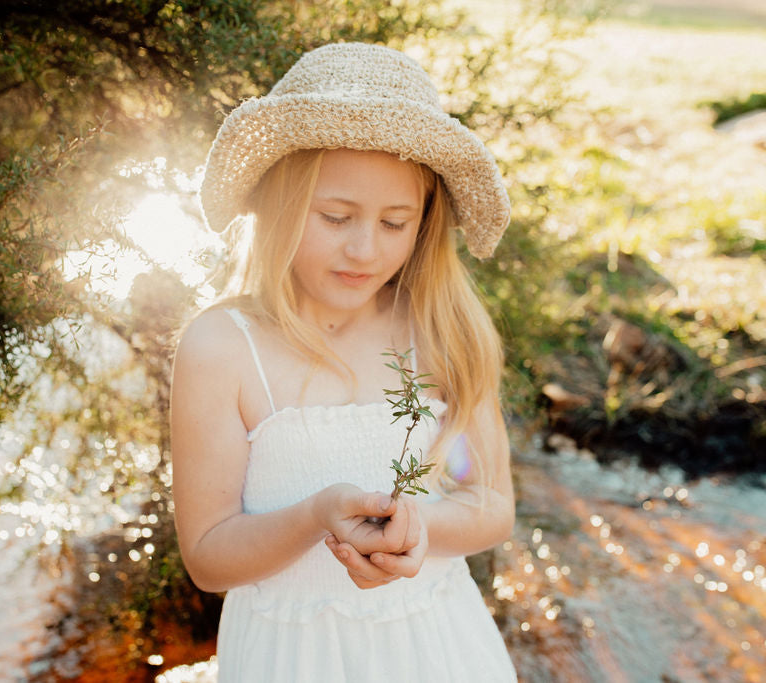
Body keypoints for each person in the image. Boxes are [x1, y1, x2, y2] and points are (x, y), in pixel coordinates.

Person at [170, 42, 518, 681]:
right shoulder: (223, 347)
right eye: (335, 216)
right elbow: (209, 557)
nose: (363, 249)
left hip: (437, 650)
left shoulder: (440, 332)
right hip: (289, 659)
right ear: (277, 204)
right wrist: (314, 516)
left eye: (394, 223)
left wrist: (415, 527)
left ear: (425, 224)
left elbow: (491, 503)